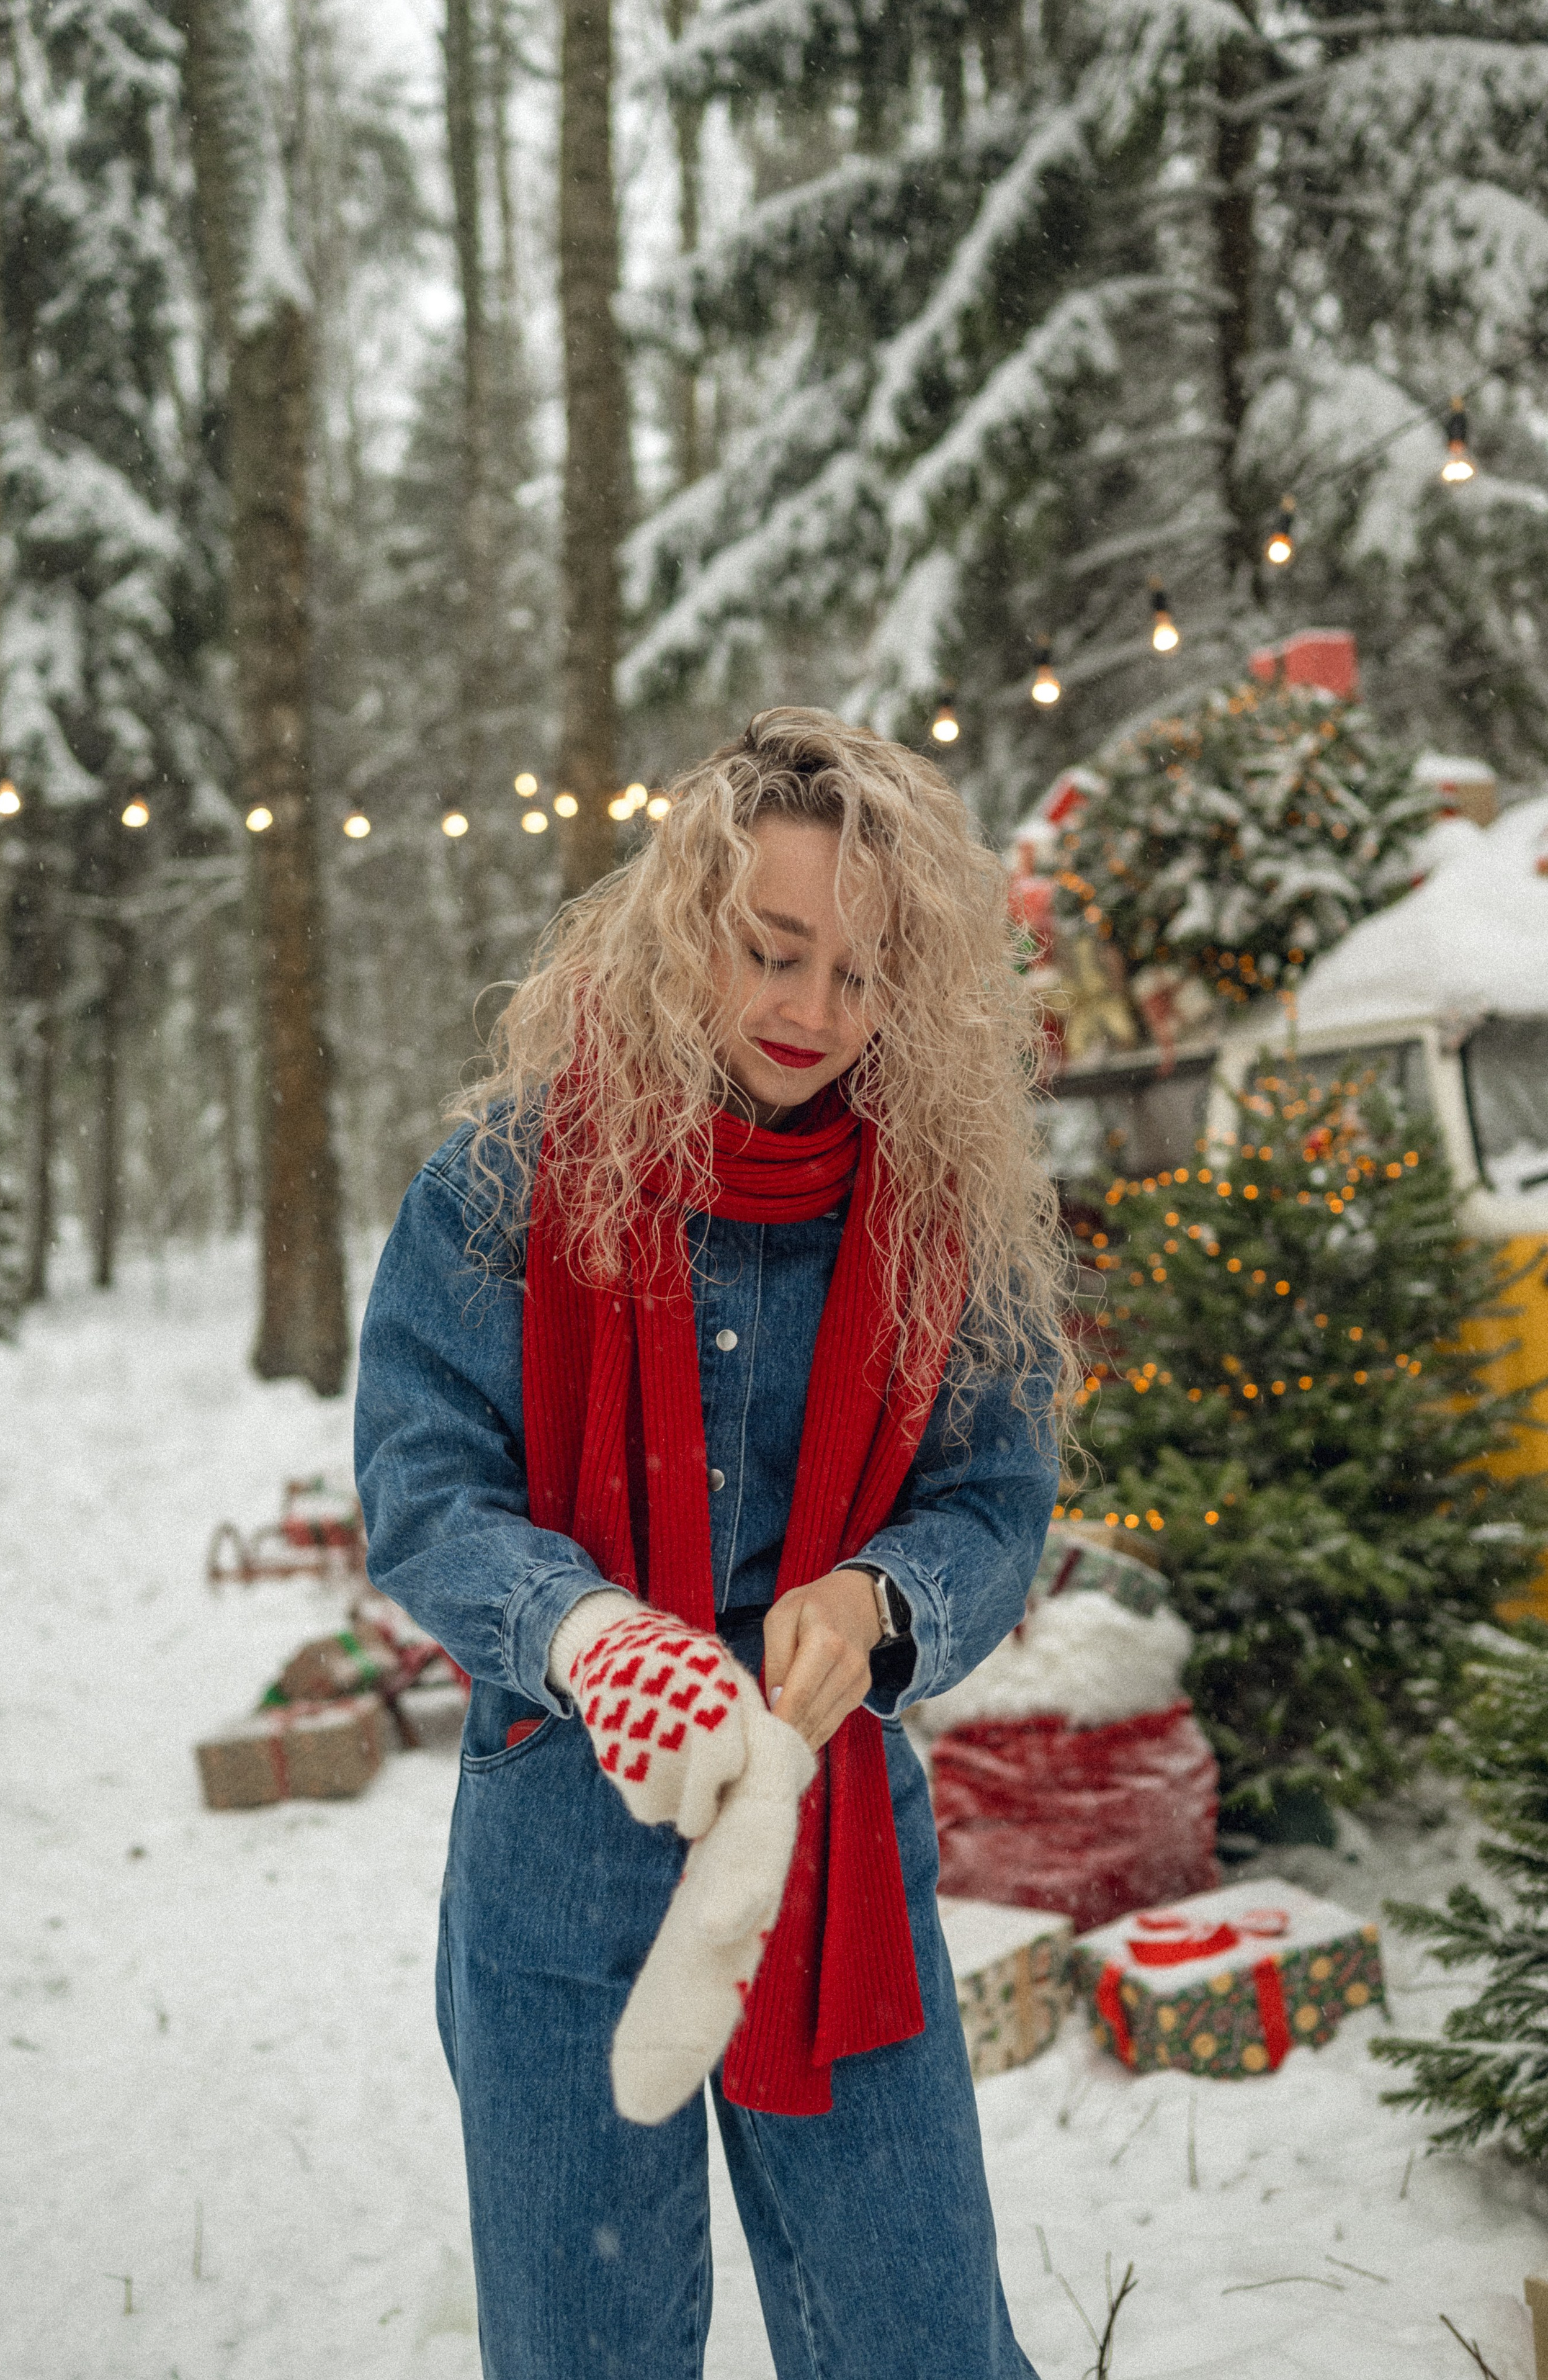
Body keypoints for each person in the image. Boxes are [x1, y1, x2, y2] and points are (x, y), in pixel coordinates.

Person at [354, 707, 1070, 2380]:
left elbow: (995, 1493)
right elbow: (422, 1477)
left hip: (830, 1836)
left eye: (863, 972)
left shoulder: (938, 1206)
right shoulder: (507, 1179)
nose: (813, 1011)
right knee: (584, 2342)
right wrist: (591, 1633)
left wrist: (887, 1594)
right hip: (561, 1822)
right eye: (775, 950)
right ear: (691, 922)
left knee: (919, 2331)